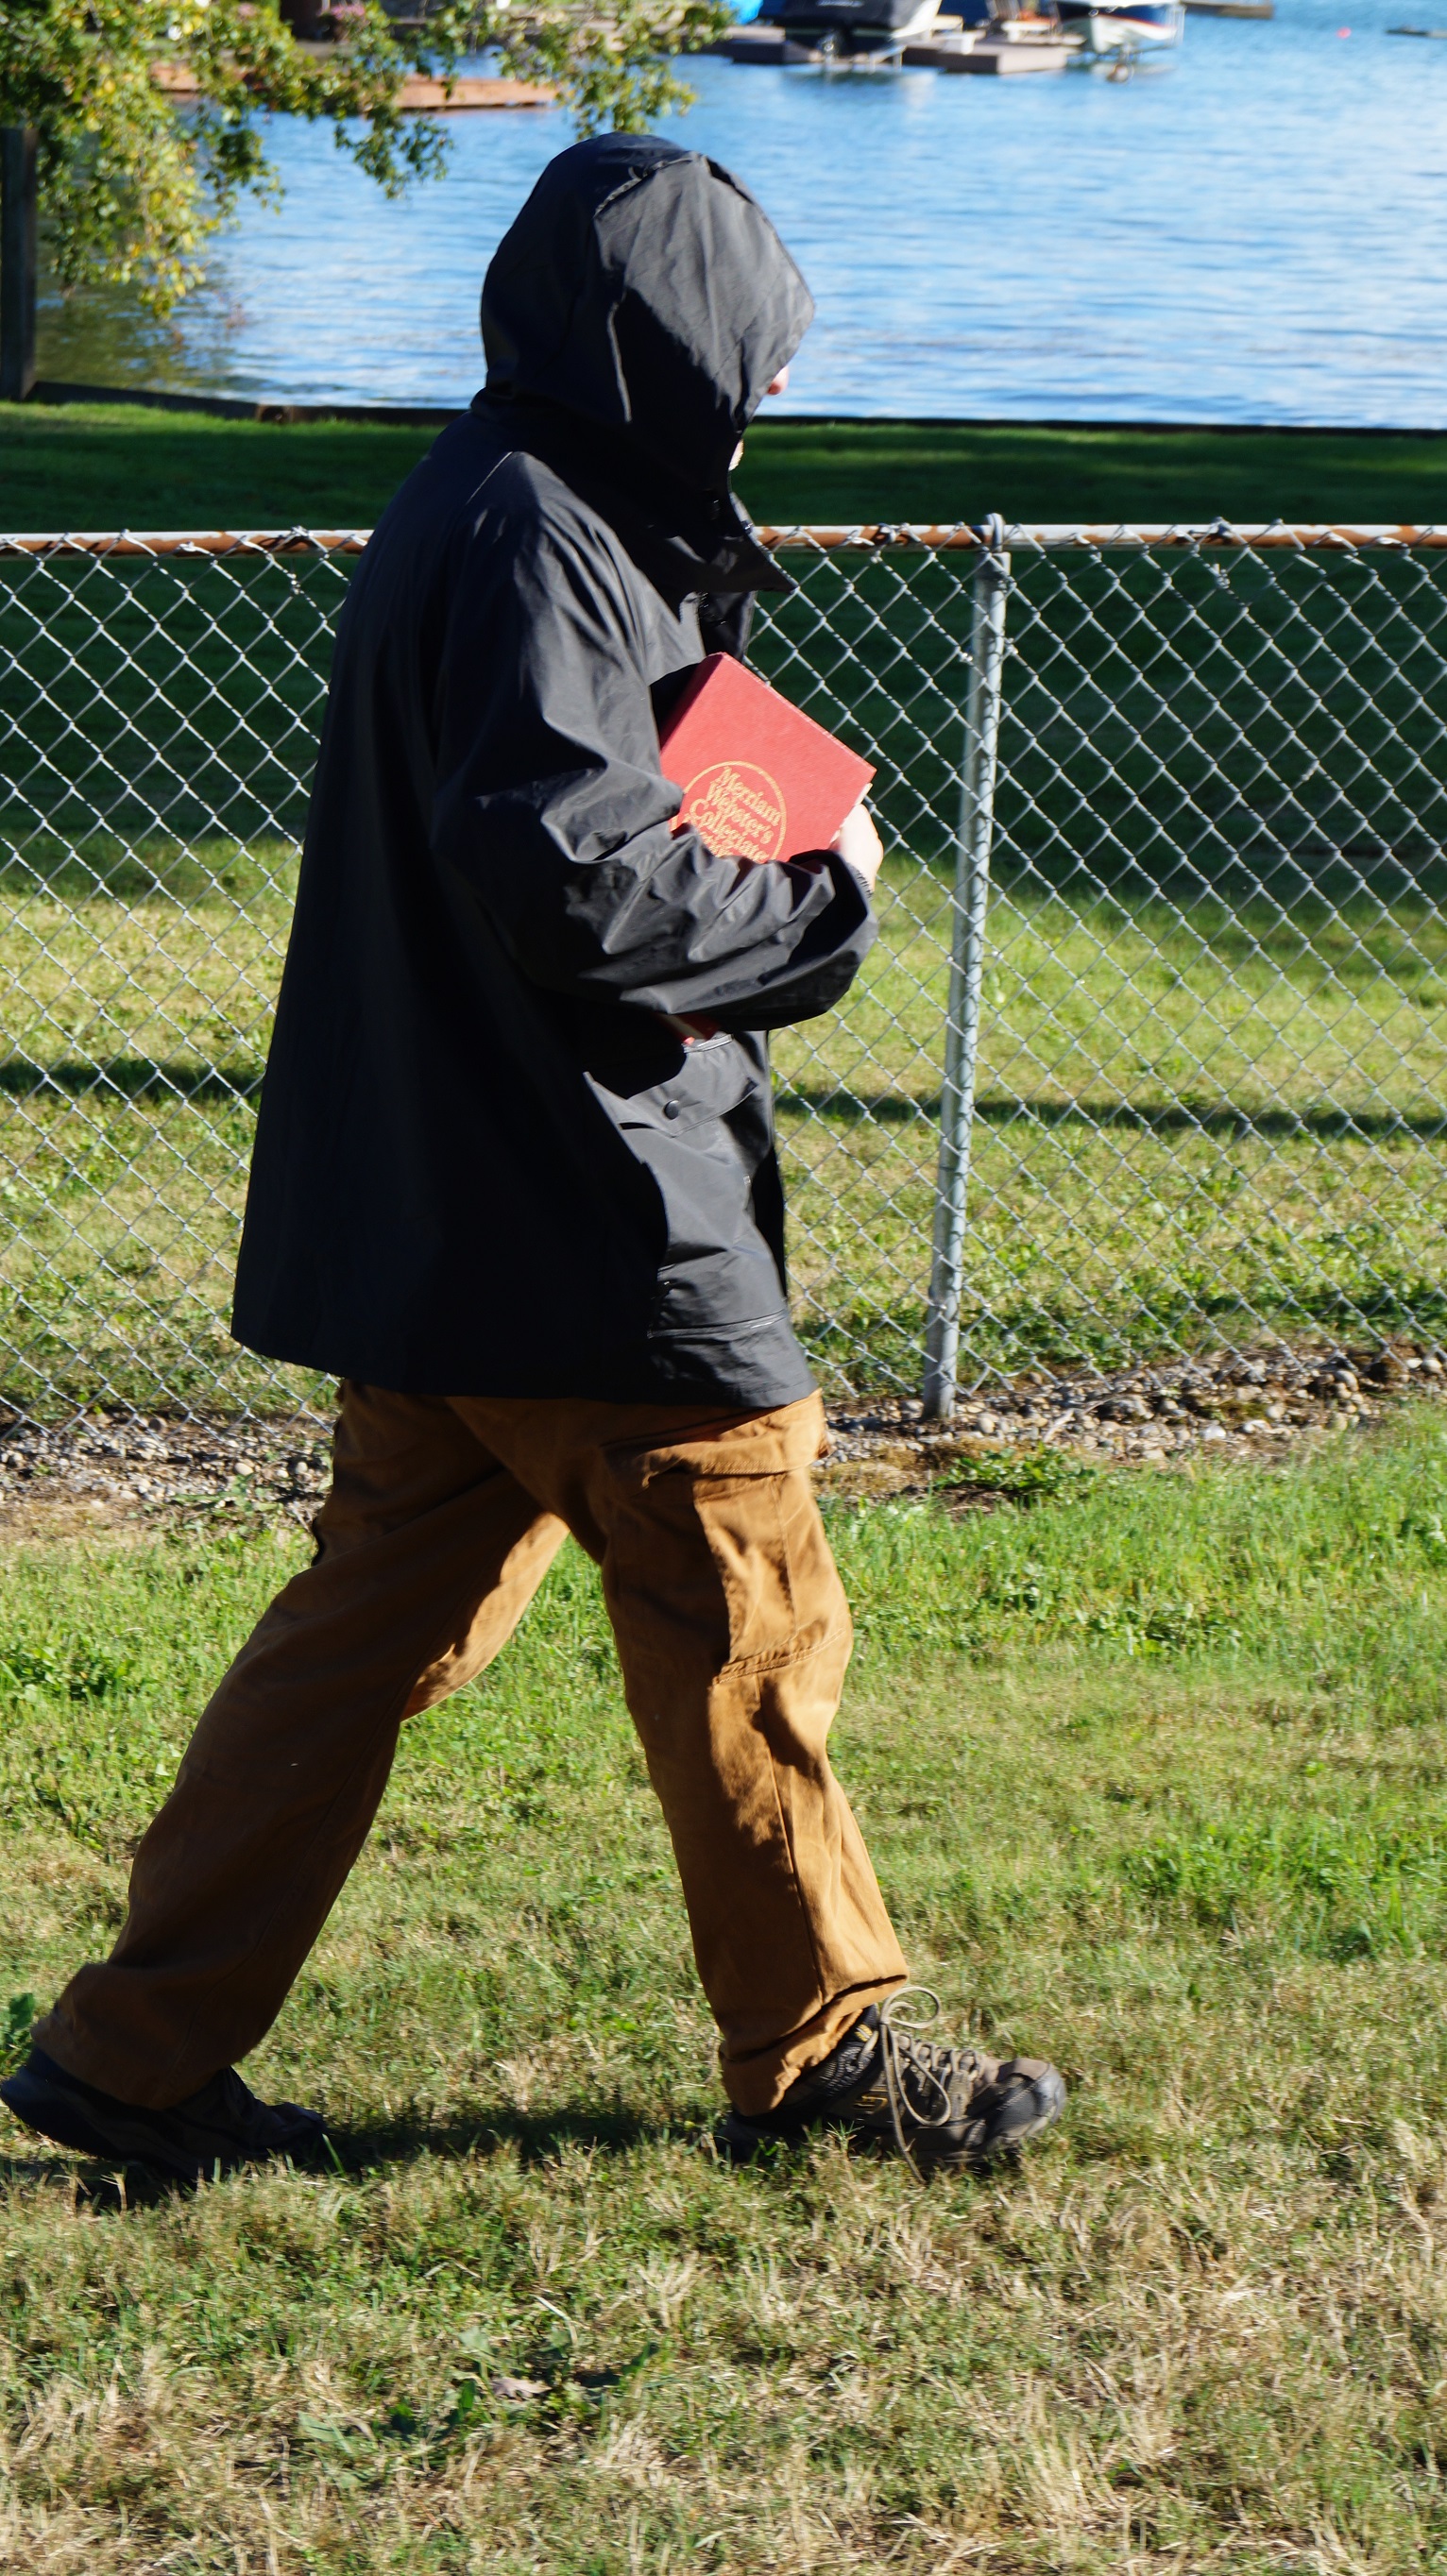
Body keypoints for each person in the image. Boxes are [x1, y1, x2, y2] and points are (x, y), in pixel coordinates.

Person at [1, 135, 1065, 2186]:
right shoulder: (538, 535)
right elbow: (576, 885)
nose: (763, 397)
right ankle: (827, 2047)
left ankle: (130, 2053)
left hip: (447, 1219)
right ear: (655, 344)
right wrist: (819, 898)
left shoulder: (498, 501)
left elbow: (560, 820)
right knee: (750, 1606)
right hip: (591, 1218)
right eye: (741, 356)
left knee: (349, 1646)